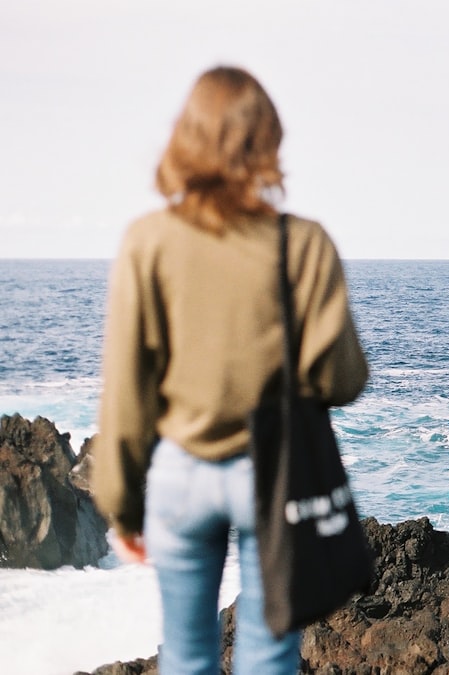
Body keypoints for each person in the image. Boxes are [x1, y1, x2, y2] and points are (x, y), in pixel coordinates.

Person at [92, 66, 369, 675]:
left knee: (186, 654)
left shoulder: (148, 241)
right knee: (269, 656)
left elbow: (126, 395)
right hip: (273, 479)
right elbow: (345, 379)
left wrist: (120, 503)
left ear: (185, 138)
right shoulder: (303, 244)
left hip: (180, 477)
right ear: (268, 140)